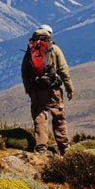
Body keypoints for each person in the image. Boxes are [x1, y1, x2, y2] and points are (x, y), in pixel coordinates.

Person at [21, 25, 74, 155]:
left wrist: (28, 88)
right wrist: (69, 88)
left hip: (36, 89)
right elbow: (63, 70)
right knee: (58, 117)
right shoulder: (54, 49)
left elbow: (24, 71)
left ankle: (41, 148)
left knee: (40, 116)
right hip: (53, 89)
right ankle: (64, 148)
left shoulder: (31, 50)